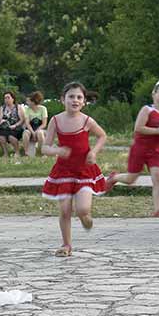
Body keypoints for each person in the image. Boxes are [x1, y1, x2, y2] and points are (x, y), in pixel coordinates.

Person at [41, 82, 108, 257]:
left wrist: (94, 151)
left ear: (84, 102)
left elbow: (102, 136)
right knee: (64, 210)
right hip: (63, 171)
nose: (75, 100)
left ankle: (86, 219)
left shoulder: (86, 120)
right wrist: (57, 150)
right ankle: (66, 245)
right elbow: (45, 147)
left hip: (84, 170)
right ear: (63, 99)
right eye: (71, 96)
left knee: (82, 210)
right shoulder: (55, 120)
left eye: (79, 97)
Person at [105, 81, 159, 217]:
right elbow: (138, 128)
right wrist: (157, 131)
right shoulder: (147, 109)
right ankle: (114, 178)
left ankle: (157, 209)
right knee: (131, 179)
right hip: (140, 148)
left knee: (158, 178)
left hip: (156, 151)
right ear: (154, 94)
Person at [0, 91, 26, 159]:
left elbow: (22, 120)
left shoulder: (18, 107)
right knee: (1, 137)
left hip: (16, 128)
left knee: (11, 137)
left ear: (13, 99)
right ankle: (5, 153)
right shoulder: (2, 108)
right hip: (5, 127)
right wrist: (1, 121)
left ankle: (17, 153)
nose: (6, 99)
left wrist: (15, 125)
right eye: (5, 98)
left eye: (8, 97)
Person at [21, 91, 48, 157]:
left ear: (33, 102)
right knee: (25, 133)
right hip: (30, 128)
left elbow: (44, 124)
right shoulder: (27, 109)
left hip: (40, 128)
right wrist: (33, 132)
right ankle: (26, 153)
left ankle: (42, 153)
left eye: (28, 101)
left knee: (40, 133)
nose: (27, 103)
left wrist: (36, 131)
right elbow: (27, 123)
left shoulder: (43, 109)